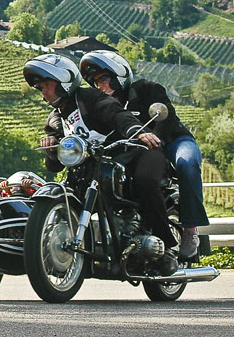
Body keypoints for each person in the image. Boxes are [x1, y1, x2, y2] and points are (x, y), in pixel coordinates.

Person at [23, 53, 178, 271]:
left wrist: (138, 132)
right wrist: (51, 148)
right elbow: (55, 166)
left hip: (131, 151)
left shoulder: (89, 98)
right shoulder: (56, 118)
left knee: (145, 181)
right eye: (41, 88)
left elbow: (116, 115)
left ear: (63, 83)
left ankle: (168, 248)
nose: (44, 92)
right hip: (90, 168)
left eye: (47, 85)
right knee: (68, 194)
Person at [79, 50, 209, 258]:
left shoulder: (145, 89)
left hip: (173, 140)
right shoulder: (105, 106)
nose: (101, 86)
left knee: (187, 162)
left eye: (104, 78)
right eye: (96, 82)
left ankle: (191, 229)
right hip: (140, 151)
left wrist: (154, 143)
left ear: (118, 75)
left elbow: (165, 116)